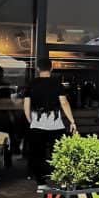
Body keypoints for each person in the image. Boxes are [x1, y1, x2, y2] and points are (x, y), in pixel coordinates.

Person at [23, 58, 77, 189]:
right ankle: (63, 182)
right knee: (58, 152)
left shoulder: (31, 84)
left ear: (37, 69)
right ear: (51, 68)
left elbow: (26, 105)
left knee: (38, 154)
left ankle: (41, 184)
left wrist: (31, 120)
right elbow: (64, 102)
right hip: (55, 125)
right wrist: (72, 121)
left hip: (37, 124)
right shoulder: (56, 83)